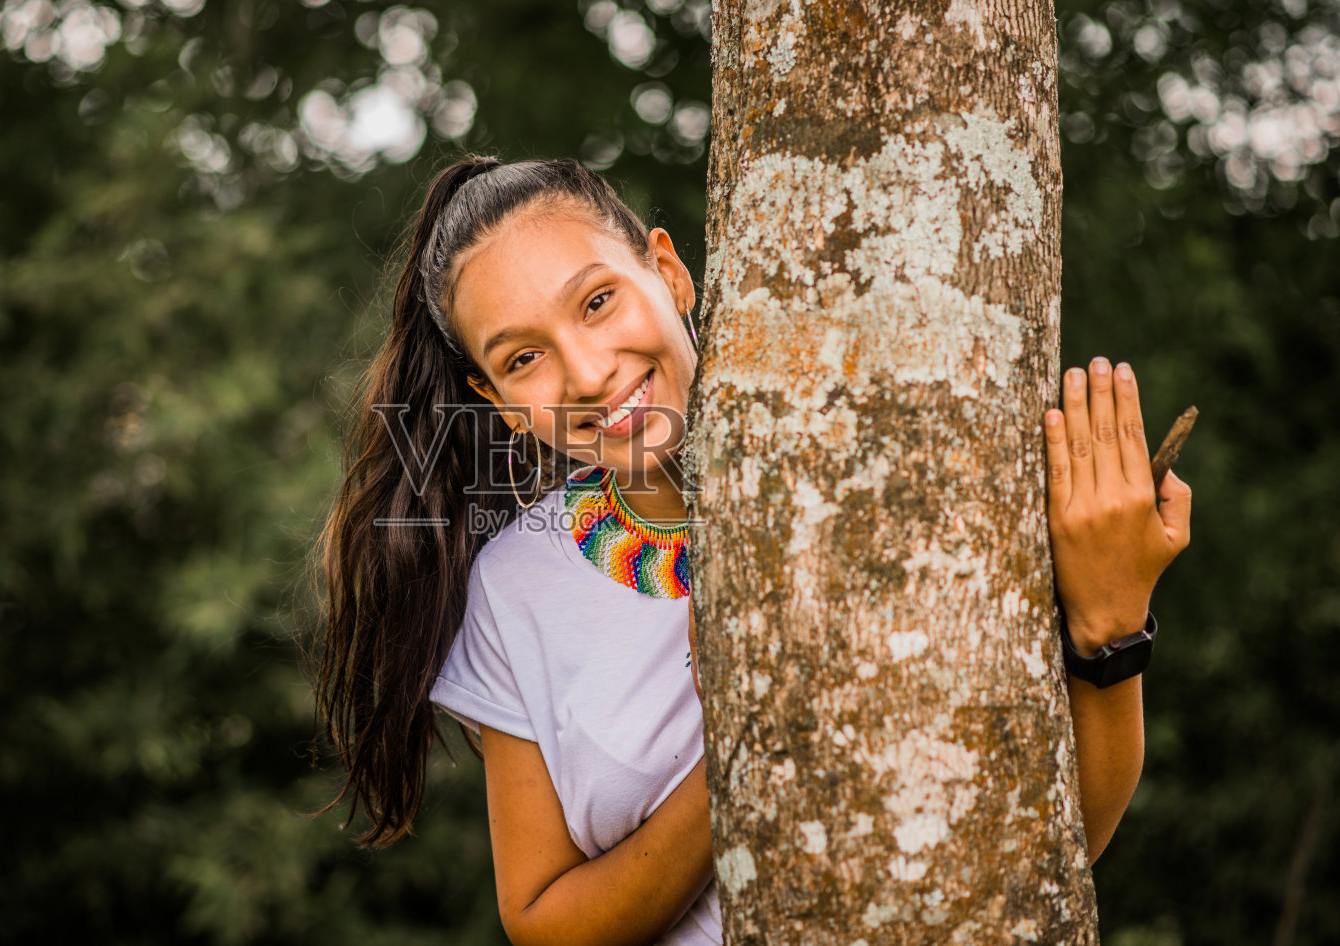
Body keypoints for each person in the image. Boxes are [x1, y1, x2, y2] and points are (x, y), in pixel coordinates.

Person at [315, 155, 1193, 946]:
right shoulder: (515, 590)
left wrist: (1109, 623)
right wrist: (749, 724)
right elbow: (544, 921)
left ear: (668, 270)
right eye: (523, 359)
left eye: (596, 301)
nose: (584, 374)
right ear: (498, 401)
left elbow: (1057, 843)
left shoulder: (889, 469)